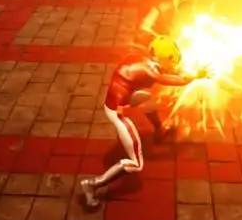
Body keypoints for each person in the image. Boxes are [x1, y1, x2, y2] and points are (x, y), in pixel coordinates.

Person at [80, 36, 208, 207]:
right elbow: (174, 80)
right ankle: (92, 184)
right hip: (117, 112)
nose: (174, 65)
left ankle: (159, 130)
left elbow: (169, 72)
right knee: (136, 163)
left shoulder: (143, 60)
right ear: (163, 58)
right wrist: (196, 76)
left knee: (147, 99)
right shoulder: (150, 71)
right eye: (172, 60)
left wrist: (190, 72)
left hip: (124, 96)